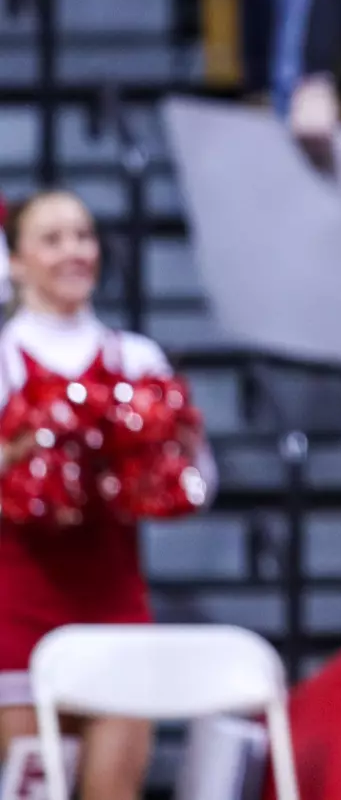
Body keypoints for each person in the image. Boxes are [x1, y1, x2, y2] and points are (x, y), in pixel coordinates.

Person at [0, 191, 184, 800]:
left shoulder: (137, 359)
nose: (74, 251)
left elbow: (197, 482)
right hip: (19, 608)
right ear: (16, 259)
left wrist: (159, 463)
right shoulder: (3, 361)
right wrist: (21, 463)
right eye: (52, 239)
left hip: (114, 605)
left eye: (83, 235)